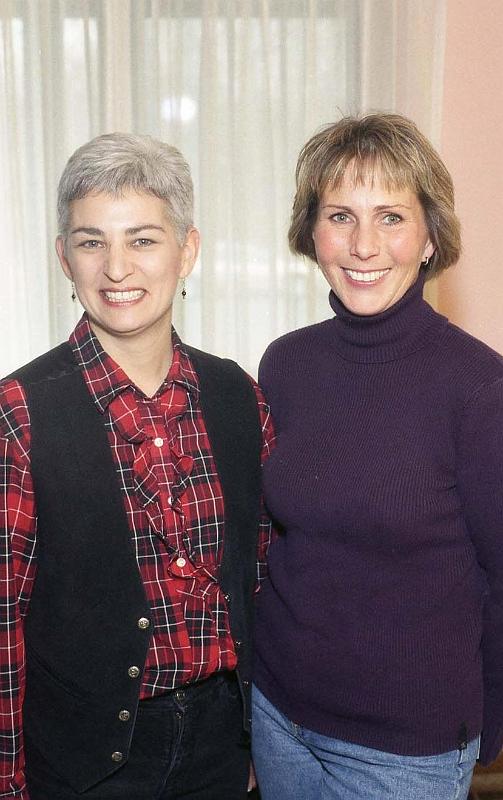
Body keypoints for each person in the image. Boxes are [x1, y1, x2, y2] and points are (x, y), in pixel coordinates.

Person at [0, 132, 274, 800]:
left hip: (222, 746)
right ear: (64, 257)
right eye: (92, 241)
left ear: (188, 250)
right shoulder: (20, 412)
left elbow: (264, 582)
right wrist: (8, 780)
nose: (117, 268)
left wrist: (264, 739)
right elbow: (4, 619)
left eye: (144, 239)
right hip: (81, 761)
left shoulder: (240, 396)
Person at [251, 113, 503, 800]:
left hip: (402, 750)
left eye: (390, 217)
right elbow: (274, 544)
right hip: (277, 716)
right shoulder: (285, 363)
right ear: (311, 232)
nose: (363, 245)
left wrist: (486, 726)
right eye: (340, 215)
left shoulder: (479, 386)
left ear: (429, 237)